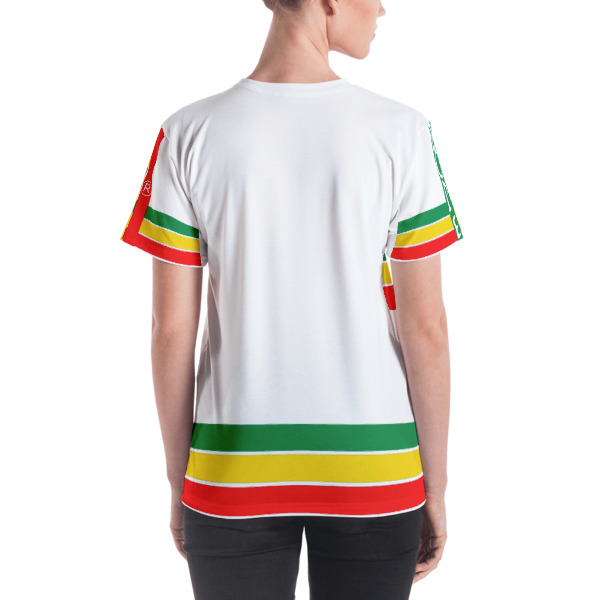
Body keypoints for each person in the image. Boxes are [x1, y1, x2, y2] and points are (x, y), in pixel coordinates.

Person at [119, 0, 463, 598]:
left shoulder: (188, 133)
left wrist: (180, 482)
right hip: (375, 470)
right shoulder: (401, 132)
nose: (383, 8)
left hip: (231, 472)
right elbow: (425, 326)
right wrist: (434, 487)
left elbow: (170, 329)